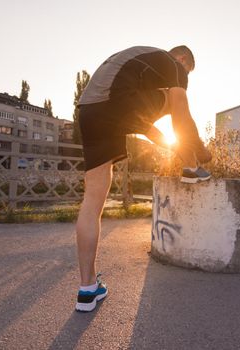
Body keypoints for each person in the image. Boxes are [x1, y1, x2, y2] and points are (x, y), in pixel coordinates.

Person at [74, 45, 212, 312]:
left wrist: (174, 147)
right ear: (183, 59)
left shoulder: (139, 70)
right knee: (177, 102)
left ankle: (87, 290)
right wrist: (199, 150)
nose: (185, 78)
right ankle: (192, 167)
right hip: (114, 103)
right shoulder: (172, 64)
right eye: (188, 71)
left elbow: (144, 125)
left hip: (89, 110)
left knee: (92, 203)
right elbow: (180, 112)